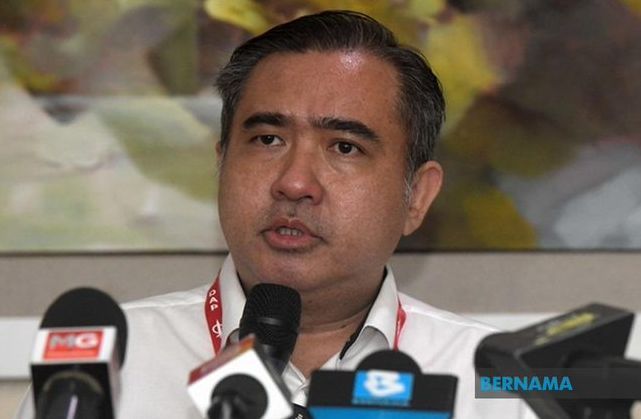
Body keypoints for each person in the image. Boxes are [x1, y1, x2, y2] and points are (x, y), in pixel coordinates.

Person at [16, 10, 535, 419]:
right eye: (267, 139)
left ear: (416, 197)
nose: (294, 183)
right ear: (221, 163)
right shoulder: (101, 371)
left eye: (345, 147)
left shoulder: (496, 387)